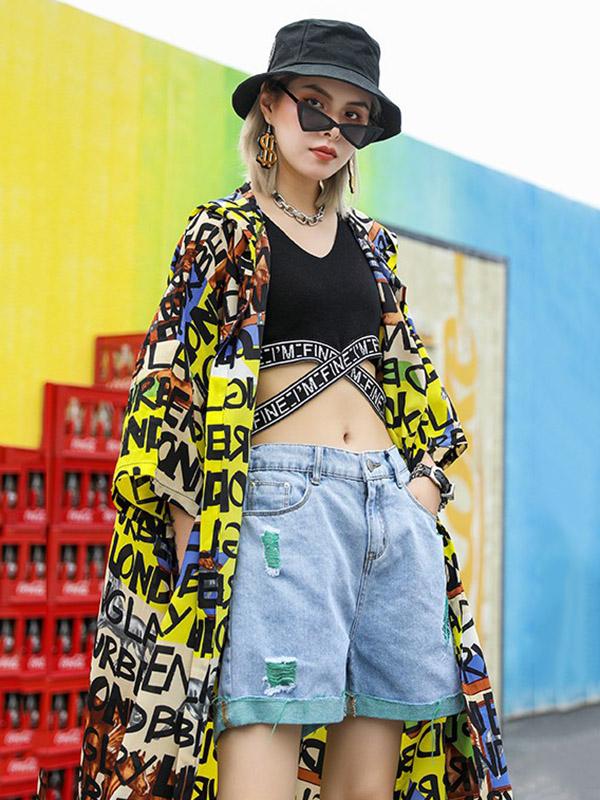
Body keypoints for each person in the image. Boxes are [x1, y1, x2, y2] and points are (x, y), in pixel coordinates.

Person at [36, 18, 512, 800]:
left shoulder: (373, 245)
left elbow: (414, 381)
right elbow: (169, 385)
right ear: (269, 103)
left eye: (354, 117)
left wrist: (422, 490)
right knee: (259, 762)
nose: (332, 130)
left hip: (389, 513)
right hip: (281, 510)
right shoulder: (225, 230)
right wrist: (193, 535)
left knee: (368, 785)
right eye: (314, 105)